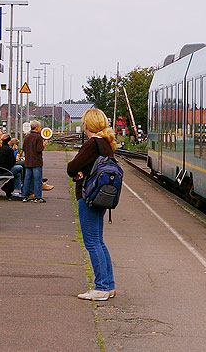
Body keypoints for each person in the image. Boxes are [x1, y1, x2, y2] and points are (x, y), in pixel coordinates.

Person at [66, 108, 117, 301]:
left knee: (92, 242)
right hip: (101, 196)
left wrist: (78, 173)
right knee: (99, 241)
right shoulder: (106, 144)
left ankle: (101, 287)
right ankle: (109, 285)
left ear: (87, 124)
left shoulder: (92, 144)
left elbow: (72, 167)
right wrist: (82, 171)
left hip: (88, 195)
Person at [0, 132, 23, 198]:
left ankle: (16, 192)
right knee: (20, 167)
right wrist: (13, 151)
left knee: (18, 174)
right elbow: (12, 162)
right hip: (2, 171)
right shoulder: (8, 150)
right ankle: (19, 187)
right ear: (9, 141)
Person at [22, 120, 45, 202]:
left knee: (27, 179)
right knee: (37, 180)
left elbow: (24, 148)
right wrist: (43, 145)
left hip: (28, 162)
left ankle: (24, 196)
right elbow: (39, 149)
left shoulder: (27, 137)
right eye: (40, 127)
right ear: (37, 128)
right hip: (36, 162)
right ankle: (37, 197)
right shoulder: (38, 137)